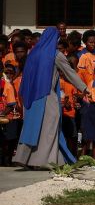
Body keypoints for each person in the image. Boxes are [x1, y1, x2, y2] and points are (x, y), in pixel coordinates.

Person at [14, 27, 89, 168]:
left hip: (30, 98)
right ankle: (46, 161)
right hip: (47, 95)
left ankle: (27, 159)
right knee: (50, 129)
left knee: (32, 128)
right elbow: (69, 72)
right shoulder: (55, 54)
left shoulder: (32, 54)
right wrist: (84, 88)